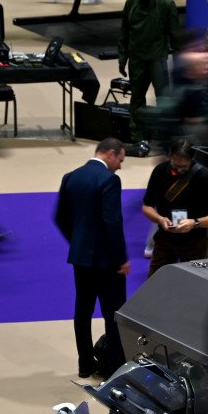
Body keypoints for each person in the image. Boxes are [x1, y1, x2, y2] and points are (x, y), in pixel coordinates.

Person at [54, 138, 130, 379]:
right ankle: (114, 367)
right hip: (107, 261)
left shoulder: (71, 177)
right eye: (120, 160)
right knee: (113, 313)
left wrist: (77, 242)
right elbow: (112, 222)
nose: (120, 166)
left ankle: (85, 365)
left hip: (81, 258)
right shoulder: (109, 180)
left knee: (82, 311)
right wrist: (121, 259)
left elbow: (60, 217)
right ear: (111, 153)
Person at [118, 0, 181, 154]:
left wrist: (179, 63)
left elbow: (174, 35)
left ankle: (165, 139)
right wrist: (122, 58)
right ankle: (138, 138)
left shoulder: (166, 4)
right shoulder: (131, 2)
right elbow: (124, 33)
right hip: (137, 59)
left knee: (163, 100)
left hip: (157, 59)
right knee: (137, 99)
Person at [141, 139, 208, 278]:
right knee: (155, 283)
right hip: (164, 240)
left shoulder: (204, 177)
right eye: (175, 165)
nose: (179, 170)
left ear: (192, 159)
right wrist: (160, 219)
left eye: (184, 166)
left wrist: (194, 223)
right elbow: (147, 207)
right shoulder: (160, 171)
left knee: (194, 285)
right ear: (169, 156)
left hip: (195, 243)